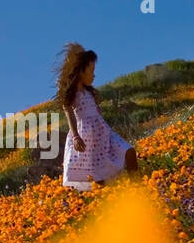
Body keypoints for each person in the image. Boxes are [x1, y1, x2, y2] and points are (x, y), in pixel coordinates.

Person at [55, 43, 137, 189]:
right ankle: (112, 200)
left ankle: (137, 189)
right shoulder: (73, 92)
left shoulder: (88, 92)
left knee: (129, 151)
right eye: (91, 71)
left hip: (103, 133)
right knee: (98, 177)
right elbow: (68, 112)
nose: (94, 75)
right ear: (80, 71)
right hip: (87, 137)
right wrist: (75, 136)